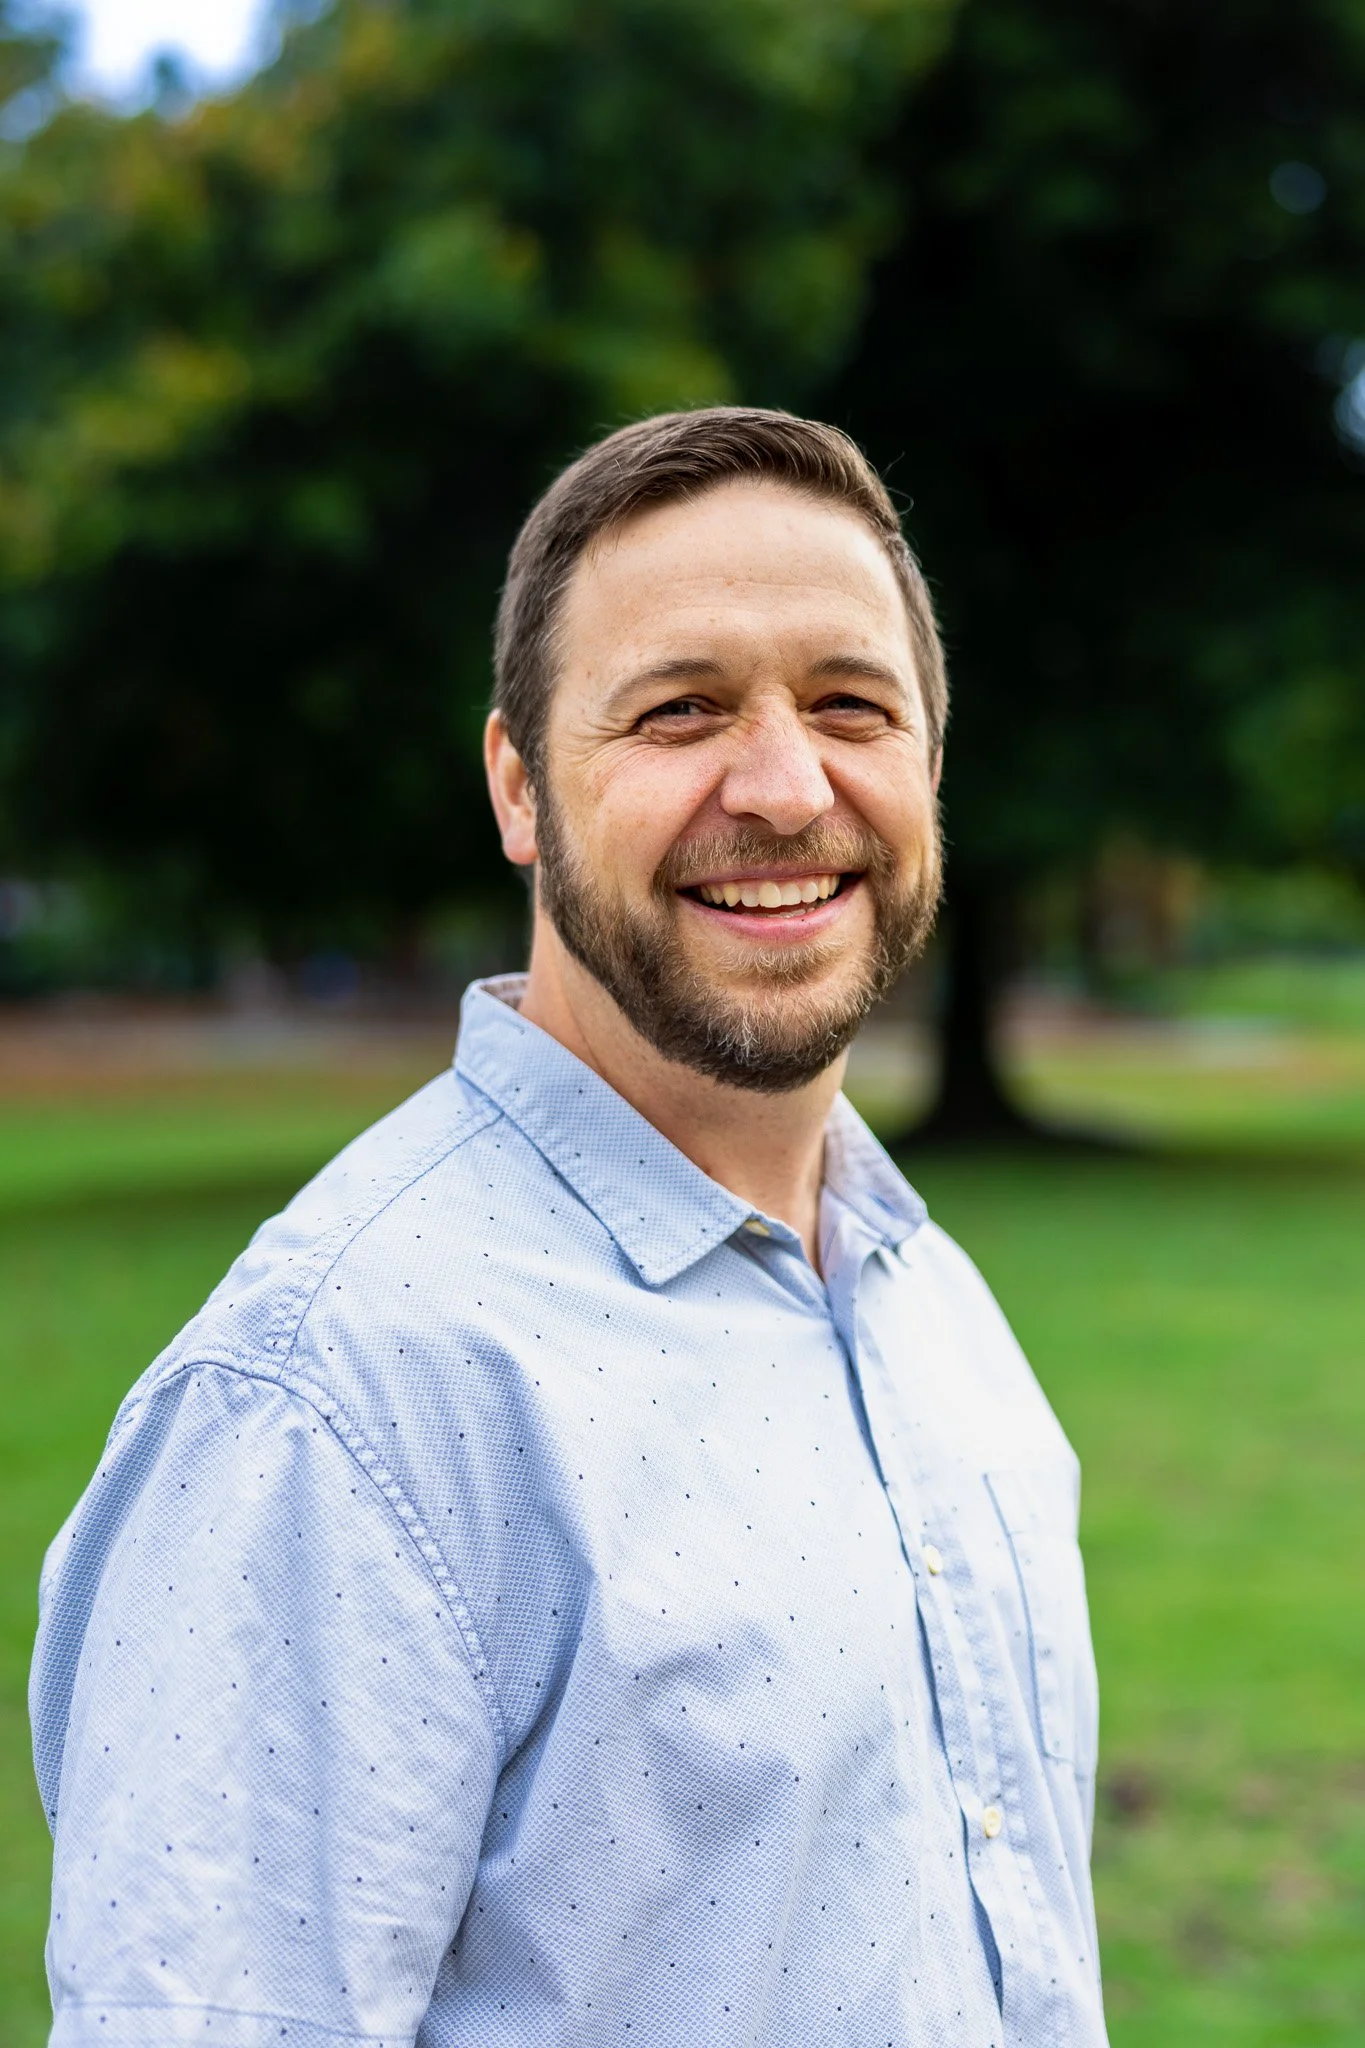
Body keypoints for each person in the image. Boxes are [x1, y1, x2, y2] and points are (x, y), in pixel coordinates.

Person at [31, 408, 1107, 2048]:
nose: (783, 784)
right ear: (520, 786)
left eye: (849, 706)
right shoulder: (332, 1405)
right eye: (680, 712)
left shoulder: (923, 1294)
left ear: (929, 769)